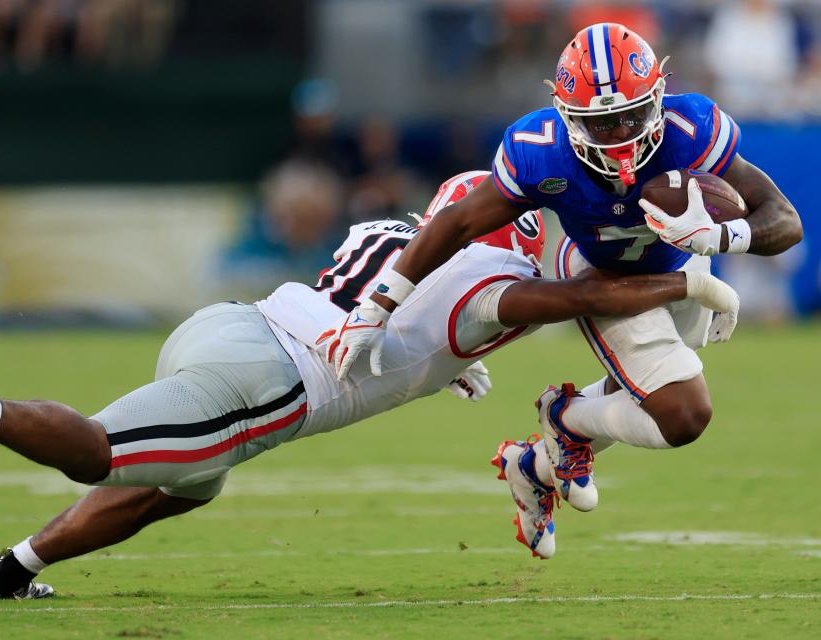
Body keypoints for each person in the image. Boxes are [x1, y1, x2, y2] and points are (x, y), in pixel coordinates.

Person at [0, 171, 740, 597]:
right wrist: (691, 278)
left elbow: (385, 289)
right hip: (278, 376)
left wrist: (443, 367)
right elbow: (580, 293)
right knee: (105, 456)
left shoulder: (412, 233)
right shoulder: (489, 275)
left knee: (178, 487)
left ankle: (11, 570)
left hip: (231, 325)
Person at [327, 23, 802, 526]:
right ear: (569, 118)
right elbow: (457, 221)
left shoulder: (693, 130)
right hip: (600, 276)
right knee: (682, 413)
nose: (622, 135)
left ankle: (533, 463)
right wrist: (378, 304)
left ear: (659, 96)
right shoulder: (541, 151)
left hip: (679, 262)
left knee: (636, 393)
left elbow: (783, 218)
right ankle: (563, 418)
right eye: (604, 124)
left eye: (633, 115)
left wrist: (723, 239)